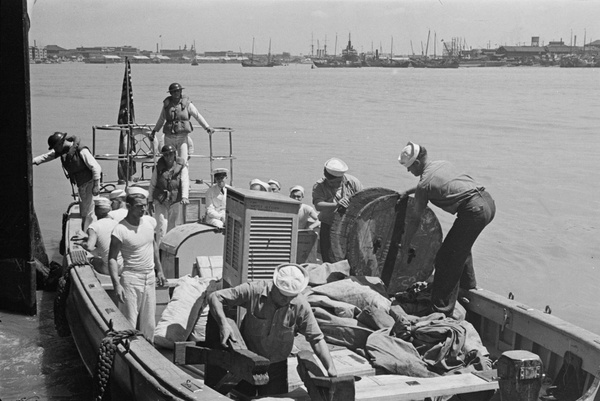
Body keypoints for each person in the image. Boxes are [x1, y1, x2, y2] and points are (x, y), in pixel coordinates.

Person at [398, 141, 496, 317]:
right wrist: (408, 191)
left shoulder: (423, 185)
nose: (408, 171)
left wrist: (405, 243)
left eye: (409, 167)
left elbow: (415, 219)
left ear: (417, 164)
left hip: (473, 210)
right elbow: (435, 182)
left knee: (445, 258)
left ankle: (440, 310)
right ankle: (468, 286)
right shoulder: (441, 164)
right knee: (460, 246)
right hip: (487, 202)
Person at [207, 263, 337, 396]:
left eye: (291, 296)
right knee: (241, 397)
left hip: (276, 368)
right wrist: (223, 324)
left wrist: (330, 368)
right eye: (283, 295)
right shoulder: (254, 291)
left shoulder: (300, 305)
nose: (286, 300)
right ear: (274, 286)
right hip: (247, 362)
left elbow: (316, 338)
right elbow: (215, 297)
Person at [108, 189, 166, 342]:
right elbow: (112, 258)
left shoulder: (149, 222)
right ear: (128, 206)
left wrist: (159, 270)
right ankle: (127, 354)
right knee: (129, 323)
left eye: (145, 206)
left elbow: (153, 245)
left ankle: (148, 353)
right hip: (131, 279)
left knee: (150, 325)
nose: (143, 209)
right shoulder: (120, 230)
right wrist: (116, 284)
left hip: (150, 278)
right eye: (139, 206)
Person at [33, 132, 101, 231]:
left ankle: (89, 234)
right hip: (81, 184)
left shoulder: (81, 150)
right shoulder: (63, 150)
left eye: (55, 147)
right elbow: (47, 156)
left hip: (90, 182)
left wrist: (96, 185)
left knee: (89, 212)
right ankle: (85, 232)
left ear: (60, 144)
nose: (54, 150)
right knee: (84, 211)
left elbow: (96, 167)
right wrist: (33, 161)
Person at [312, 158, 363, 262]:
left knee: (349, 257)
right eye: (330, 182)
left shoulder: (353, 182)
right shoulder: (319, 186)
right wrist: (336, 205)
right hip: (328, 225)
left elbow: (363, 199)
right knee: (328, 257)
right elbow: (318, 205)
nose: (333, 185)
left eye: (336, 182)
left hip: (349, 226)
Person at [150, 82, 214, 162]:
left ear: (181, 91)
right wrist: (154, 131)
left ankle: (183, 174)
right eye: (174, 91)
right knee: (169, 161)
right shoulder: (167, 105)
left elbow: (197, 116)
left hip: (182, 137)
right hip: (169, 137)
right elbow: (161, 119)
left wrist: (207, 127)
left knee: (183, 160)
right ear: (170, 93)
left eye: (178, 91)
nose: (176, 93)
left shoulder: (187, 104)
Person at [148, 145, 189, 245]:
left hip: (175, 200)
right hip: (161, 200)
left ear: (174, 154)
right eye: (165, 155)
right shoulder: (158, 168)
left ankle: (171, 251)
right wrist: (149, 201)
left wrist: (184, 197)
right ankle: (160, 252)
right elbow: (152, 184)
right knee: (162, 226)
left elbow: (185, 181)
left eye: (170, 154)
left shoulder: (181, 166)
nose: (168, 157)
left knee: (173, 226)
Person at [82, 197, 123, 275]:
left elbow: (89, 247)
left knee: (92, 260)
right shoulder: (117, 223)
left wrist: (82, 244)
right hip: (124, 267)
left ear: (96, 211)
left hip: (109, 269)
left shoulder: (93, 227)